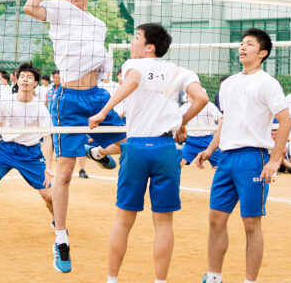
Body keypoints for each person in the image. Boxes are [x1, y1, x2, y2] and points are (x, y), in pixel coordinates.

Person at [23, 0, 125, 273]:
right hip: (69, 99)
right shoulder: (58, 8)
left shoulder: (97, 24)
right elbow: (30, 8)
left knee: (130, 141)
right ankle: (61, 238)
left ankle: (95, 150)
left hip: (97, 96)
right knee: (64, 175)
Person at [89, 23, 208, 283]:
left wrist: (102, 112)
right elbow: (201, 99)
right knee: (164, 223)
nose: (132, 43)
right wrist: (181, 122)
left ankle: (112, 279)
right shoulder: (180, 71)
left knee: (123, 220)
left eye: (136, 38)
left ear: (149, 47)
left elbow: (132, 82)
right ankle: (160, 281)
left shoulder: (135, 65)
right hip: (166, 149)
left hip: (137, 147)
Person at [195, 28, 291, 283]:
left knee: (251, 224)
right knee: (216, 219)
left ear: (262, 53)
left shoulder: (267, 82)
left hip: (253, 158)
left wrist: (274, 160)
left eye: (249, 44)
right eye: (241, 43)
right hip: (226, 158)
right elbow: (226, 121)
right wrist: (210, 149)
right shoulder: (228, 84)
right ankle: (214, 277)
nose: (242, 47)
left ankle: (250, 280)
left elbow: (285, 121)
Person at [0, 62, 54, 237]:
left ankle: (57, 221)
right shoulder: (6, 101)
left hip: (31, 153)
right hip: (6, 149)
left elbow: (48, 139)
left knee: (50, 197)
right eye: (22, 77)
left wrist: (49, 167)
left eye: (30, 77)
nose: (25, 80)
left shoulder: (41, 108)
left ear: (36, 83)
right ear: (16, 80)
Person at [181, 99, 222, 167]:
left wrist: (218, 132)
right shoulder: (186, 106)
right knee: (179, 163)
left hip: (208, 141)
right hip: (191, 141)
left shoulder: (209, 105)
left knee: (221, 165)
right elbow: (177, 119)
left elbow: (221, 120)